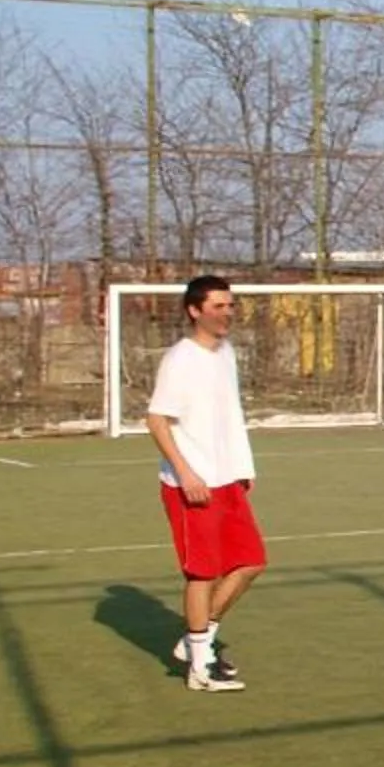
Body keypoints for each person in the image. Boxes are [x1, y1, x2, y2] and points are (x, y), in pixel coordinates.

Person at [146, 274, 264, 691]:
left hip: (229, 478)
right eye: (218, 306)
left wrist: (243, 465)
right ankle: (200, 668)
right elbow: (157, 419)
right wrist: (185, 472)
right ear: (195, 310)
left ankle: (198, 641)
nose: (227, 313)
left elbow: (227, 416)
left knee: (250, 563)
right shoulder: (180, 358)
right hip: (191, 485)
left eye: (230, 305)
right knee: (202, 573)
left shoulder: (226, 353)